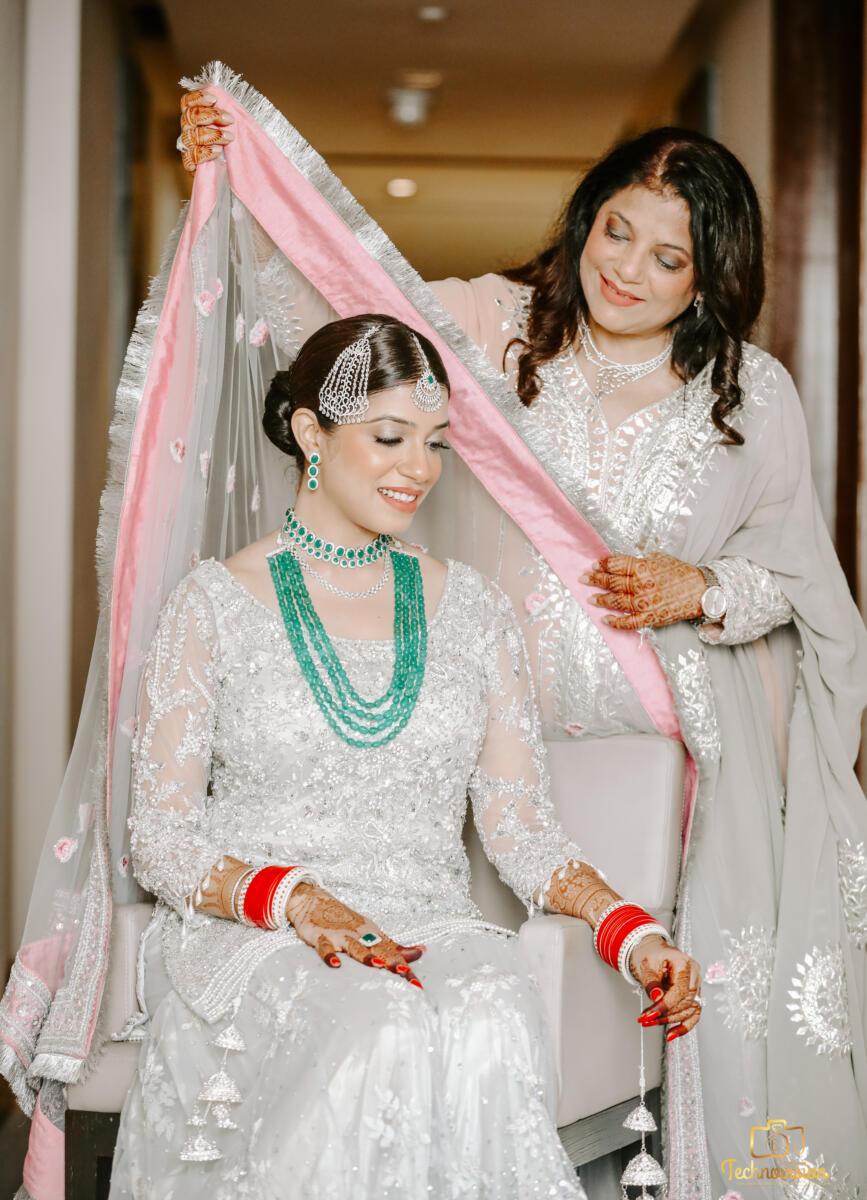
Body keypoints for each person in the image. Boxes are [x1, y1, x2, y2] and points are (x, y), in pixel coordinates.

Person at [176, 72, 867, 1196]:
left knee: (698, 1000)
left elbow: (802, 584)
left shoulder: (752, 394)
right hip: (491, 750)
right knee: (485, 995)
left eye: (668, 257)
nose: (626, 269)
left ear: (708, 277)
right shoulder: (495, 332)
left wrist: (701, 588)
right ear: (586, 217)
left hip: (682, 755)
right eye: (615, 231)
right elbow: (333, 316)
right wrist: (236, 181)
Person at [107, 314, 701, 1199]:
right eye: (389, 437)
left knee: (494, 1014)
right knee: (380, 1027)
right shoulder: (214, 605)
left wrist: (628, 930)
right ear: (310, 432)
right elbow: (160, 839)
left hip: (429, 923)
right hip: (260, 932)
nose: (419, 468)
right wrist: (296, 898)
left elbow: (518, 827)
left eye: (434, 443)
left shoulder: (473, 611)